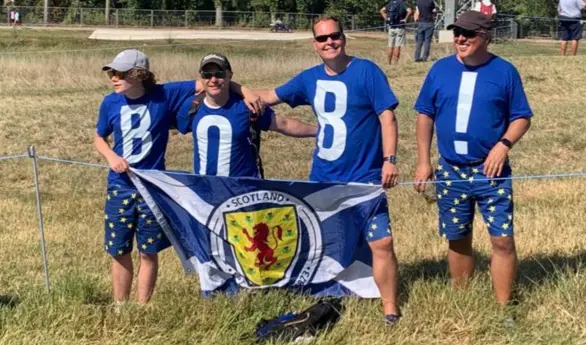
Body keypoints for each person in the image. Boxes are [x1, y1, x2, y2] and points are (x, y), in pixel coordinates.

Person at [255, 16, 402, 325]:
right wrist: (230, 87)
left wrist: (390, 159)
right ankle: (325, 296)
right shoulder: (309, 79)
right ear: (315, 45)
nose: (329, 42)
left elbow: (387, 117)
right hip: (324, 180)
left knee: (382, 242)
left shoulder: (367, 72)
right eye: (322, 39)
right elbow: (269, 97)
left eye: (334, 36)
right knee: (326, 243)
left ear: (344, 38)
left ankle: (390, 307)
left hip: (364, 180)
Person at [94, 49, 261, 305]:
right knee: (118, 249)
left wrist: (245, 90)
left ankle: (143, 306)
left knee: (148, 251)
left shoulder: (164, 95)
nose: (113, 78)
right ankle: (120, 305)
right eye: (112, 73)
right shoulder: (110, 102)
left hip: (152, 188)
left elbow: (210, 80)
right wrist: (111, 157)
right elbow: (99, 137)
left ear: (139, 75)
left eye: (120, 73)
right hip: (120, 187)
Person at [413, 12, 533, 316]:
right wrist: (424, 162)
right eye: (457, 33)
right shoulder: (440, 70)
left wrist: (502, 146)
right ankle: (463, 301)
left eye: (468, 34)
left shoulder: (504, 71)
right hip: (450, 170)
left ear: (486, 37)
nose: (460, 39)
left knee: (502, 240)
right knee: (457, 238)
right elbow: (425, 115)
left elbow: (521, 117)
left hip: (491, 173)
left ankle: (505, 309)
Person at [176, 53, 317, 177]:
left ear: (229, 75)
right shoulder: (191, 107)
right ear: (200, 77)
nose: (213, 80)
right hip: (205, 193)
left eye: (219, 74)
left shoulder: (248, 107)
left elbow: (283, 124)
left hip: (243, 195)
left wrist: (318, 131)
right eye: (207, 74)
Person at [380, 0, 412, 65]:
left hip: (391, 28)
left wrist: (386, 19)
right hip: (400, 28)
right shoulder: (403, 3)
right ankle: (395, 63)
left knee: (390, 46)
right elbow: (410, 11)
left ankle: (389, 63)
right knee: (397, 46)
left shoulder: (391, 3)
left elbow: (381, 10)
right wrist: (405, 19)